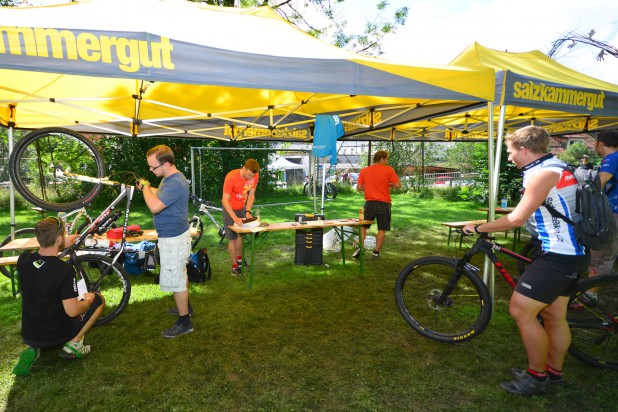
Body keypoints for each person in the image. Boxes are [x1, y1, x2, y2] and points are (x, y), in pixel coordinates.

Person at [463, 125, 589, 396]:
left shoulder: (543, 174)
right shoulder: (557, 166)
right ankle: (553, 373)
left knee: (521, 310)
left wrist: (478, 227)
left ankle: (536, 377)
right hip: (570, 252)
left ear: (523, 149)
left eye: (509, 151)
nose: (508, 157)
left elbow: (516, 219)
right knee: (554, 315)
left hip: (559, 254)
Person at [12, 217, 105, 376]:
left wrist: (60, 242)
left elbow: (42, 257)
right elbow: (72, 311)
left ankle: (34, 348)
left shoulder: (24, 260)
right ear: (59, 239)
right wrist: (88, 300)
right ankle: (74, 345)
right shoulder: (64, 270)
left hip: (30, 334)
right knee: (98, 299)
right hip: (55, 335)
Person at [139, 145, 193, 338]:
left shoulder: (176, 182)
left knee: (176, 280)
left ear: (166, 164)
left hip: (173, 239)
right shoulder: (169, 179)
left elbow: (155, 206)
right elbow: (160, 194)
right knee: (180, 273)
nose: (151, 171)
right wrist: (146, 187)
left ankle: (184, 322)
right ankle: (186, 306)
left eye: (153, 167)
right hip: (175, 235)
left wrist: (145, 188)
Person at [354, 150, 401, 259]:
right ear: (382, 159)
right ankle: (376, 252)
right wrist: (389, 185)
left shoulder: (365, 170)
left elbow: (359, 187)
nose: (386, 161)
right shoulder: (389, 169)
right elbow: (398, 185)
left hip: (369, 203)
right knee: (382, 229)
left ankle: (360, 248)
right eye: (386, 159)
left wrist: (369, 187)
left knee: (363, 227)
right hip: (384, 204)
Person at [221, 159, 260, 275]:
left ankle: (239, 259)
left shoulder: (254, 176)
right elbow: (224, 200)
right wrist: (235, 219)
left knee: (240, 235)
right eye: (249, 175)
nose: (250, 178)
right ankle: (234, 266)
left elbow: (251, 194)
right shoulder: (231, 177)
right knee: (232, 238)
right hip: (229, 208)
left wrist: (247, 211)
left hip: (241, 207)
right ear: (244, 168)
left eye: (252, 176)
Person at [588, 130, 618, 277]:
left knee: (600, 255)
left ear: (600, 143)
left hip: (611, 213)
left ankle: (590, 295)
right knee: (608, 254)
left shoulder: (612, 158)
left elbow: (600, 181)